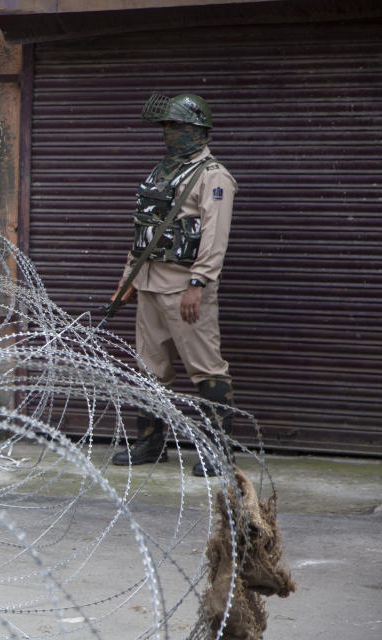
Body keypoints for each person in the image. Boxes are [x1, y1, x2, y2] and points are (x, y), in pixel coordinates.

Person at [110, 93, 238, 477]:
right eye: (165, 126)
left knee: (206, 368)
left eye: (176, 126)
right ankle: (150, 444)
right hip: (149, 284)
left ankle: (218, 450)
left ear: (197, 130)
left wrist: (198, 283)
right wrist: (127, 278)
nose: (168, 134)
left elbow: (215, 238)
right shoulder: (164, 171)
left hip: (185, 288)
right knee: (149, 368)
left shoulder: (213, 177)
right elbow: (145, 229)